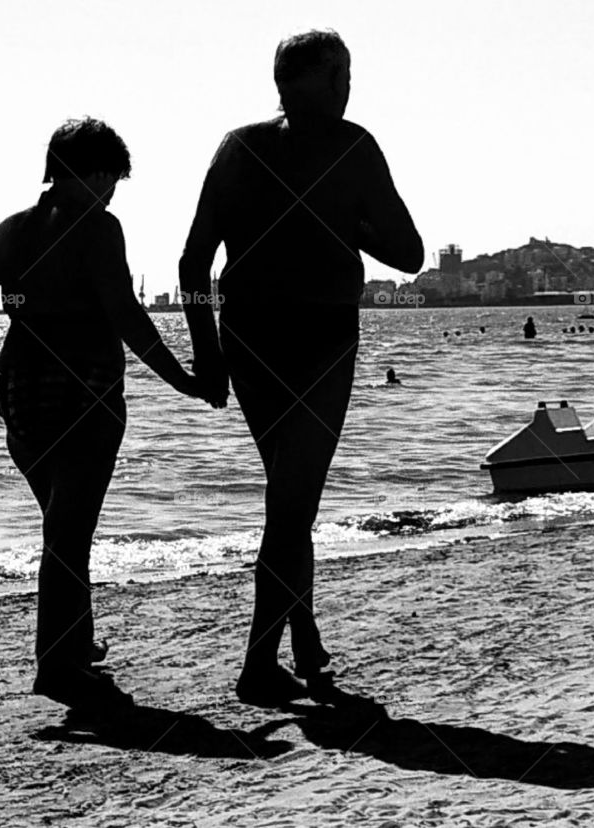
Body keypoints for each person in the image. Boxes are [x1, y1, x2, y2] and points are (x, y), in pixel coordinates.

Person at [179, 30, 422, 706]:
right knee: (292, 502)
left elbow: (194, 264)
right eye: (340, 76)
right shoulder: (352, 147)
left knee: (291, 495)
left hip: (247, 338)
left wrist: (207, 353)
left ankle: (304, 634)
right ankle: (259, 663)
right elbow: (409, 254)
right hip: (318, 341)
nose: (348, 87)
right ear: (309, 82)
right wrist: (347, 221)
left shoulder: (238, 147)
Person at [0, 117, 202, 710]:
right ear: (86, 173)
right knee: (69, 533)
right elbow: (126, 315)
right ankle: (57, 666)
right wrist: (183, 380)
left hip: (23, 392)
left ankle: (74, 645)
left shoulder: (14, 229)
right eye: (108, 177)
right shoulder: (98, 228)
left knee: (62, 525)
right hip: (85, 391)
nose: (111, 192)